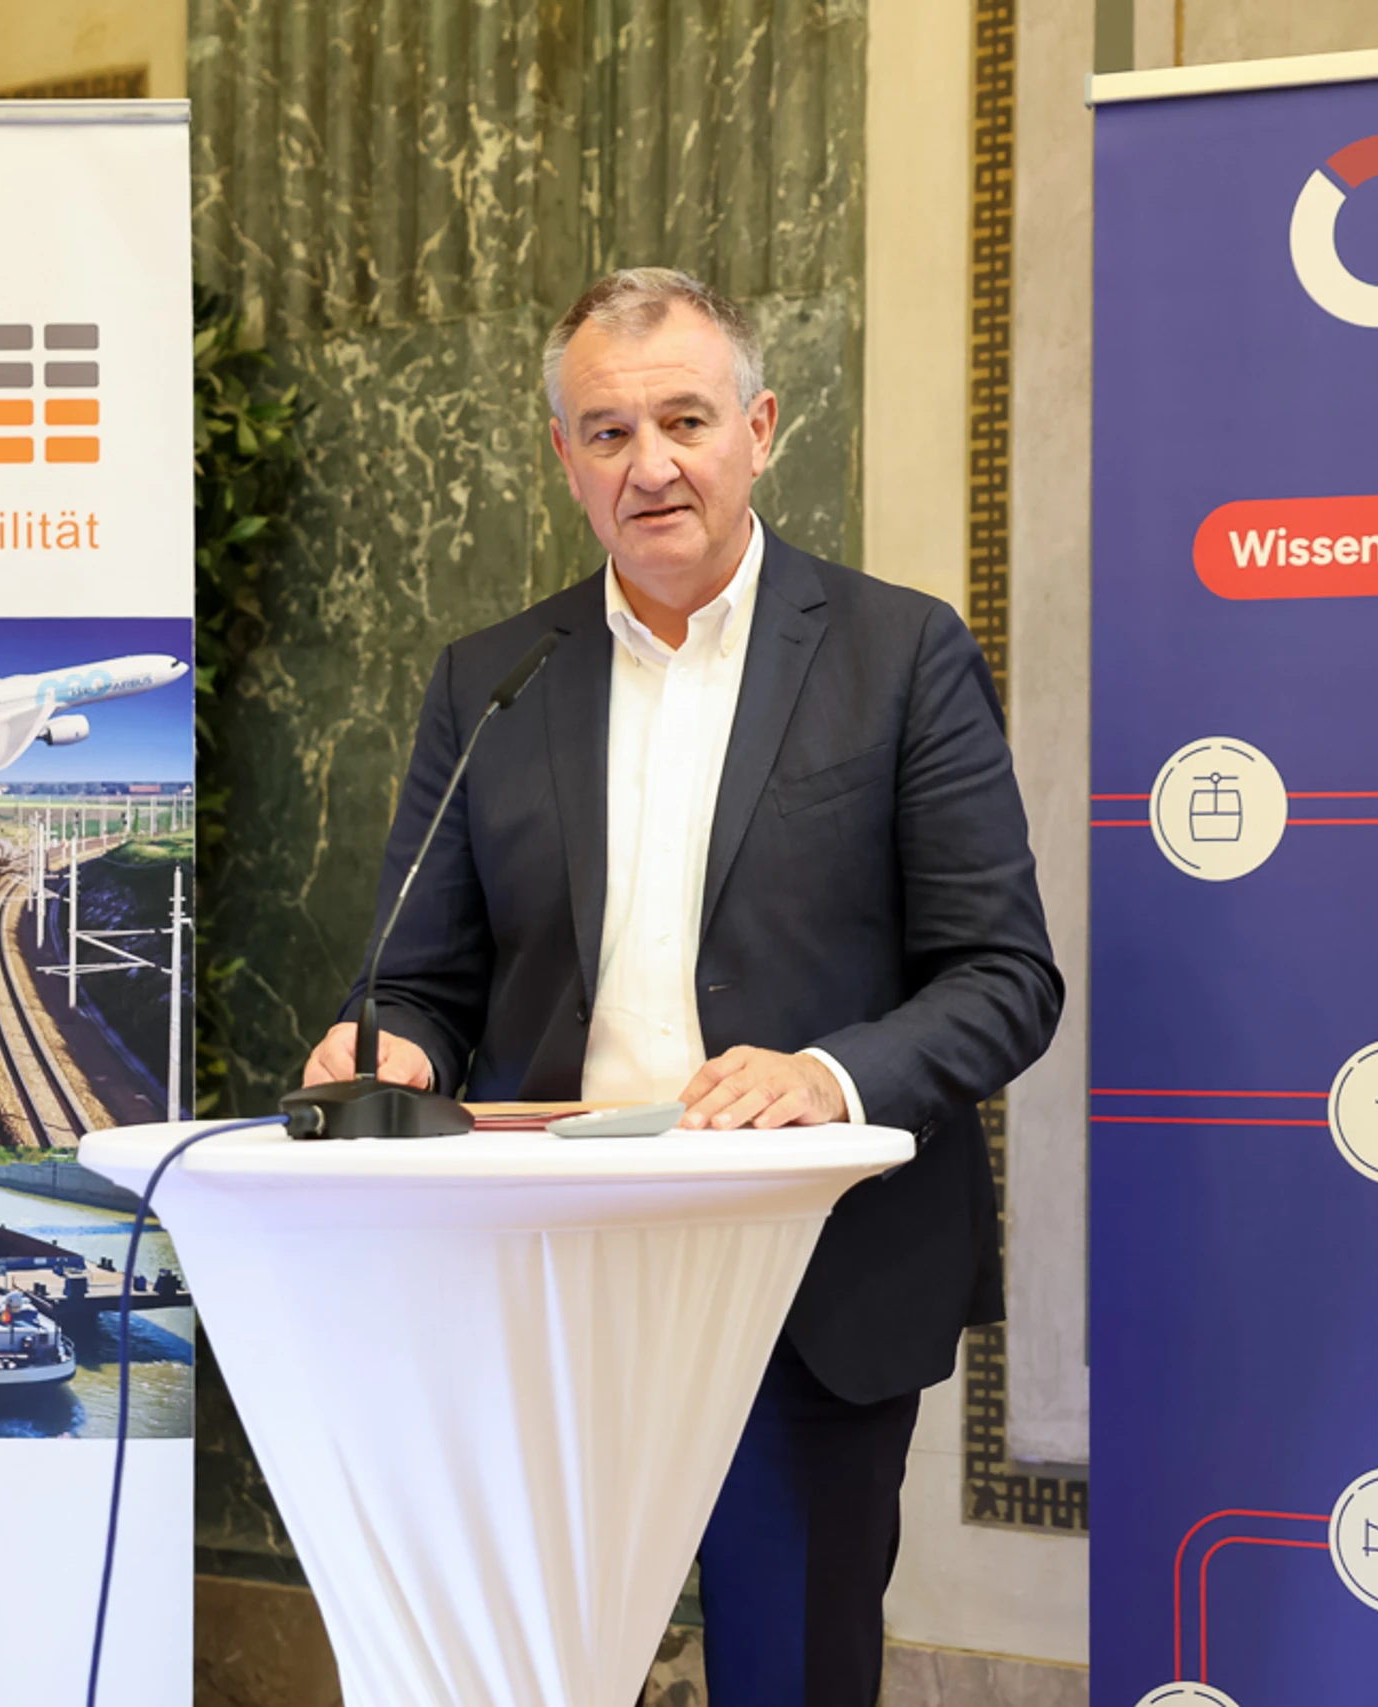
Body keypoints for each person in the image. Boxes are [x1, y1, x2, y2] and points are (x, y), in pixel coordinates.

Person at [303, 267, 1062, 1705]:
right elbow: (420, 981)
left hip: (804, 1276)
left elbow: (1004, 975)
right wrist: (389, 1043)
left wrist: (827, 1075)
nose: (649, 465)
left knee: (789, 1675)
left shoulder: (897, 655)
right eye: (608, 432)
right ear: (564, 459)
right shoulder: (492, 681)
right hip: (549, 1286)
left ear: (759, 431)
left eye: (685, 420)